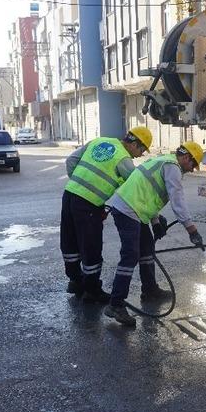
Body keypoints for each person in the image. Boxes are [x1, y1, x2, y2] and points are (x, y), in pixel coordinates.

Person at [104, 141, 206, 326]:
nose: (192, 169)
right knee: (130, 256)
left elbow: (147, 192)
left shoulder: (164, 161)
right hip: (128, 209)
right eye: (193, 164)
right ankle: (116, 304)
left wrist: (156, 221)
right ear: (185, 157)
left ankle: (150, 289)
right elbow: (178, 201)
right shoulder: (172, 167)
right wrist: (192, 230)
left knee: (147, 249)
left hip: (135, 209)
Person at [60, 127, 153, 303]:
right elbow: (134, 190)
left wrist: (78, 184)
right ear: (133, 144)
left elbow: (71, 160)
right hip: (88, 205)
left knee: (70, 240)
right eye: (141, 150)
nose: (140, 155)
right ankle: (92, 289)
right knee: (91, 246)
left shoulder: (99, 141)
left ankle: (75, 280)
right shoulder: (123, 160)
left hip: (69, 195)